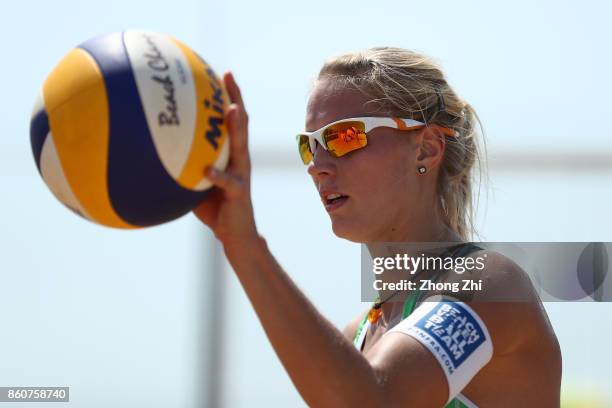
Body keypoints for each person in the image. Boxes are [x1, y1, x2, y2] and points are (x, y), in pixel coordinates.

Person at [194, 47, 562, 407]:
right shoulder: (355, 339)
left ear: (426, 149)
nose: (316, 165)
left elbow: (377, 398)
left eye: (344, 136)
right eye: (310, 145)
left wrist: (244, 245)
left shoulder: (490, 283)